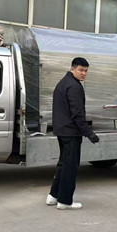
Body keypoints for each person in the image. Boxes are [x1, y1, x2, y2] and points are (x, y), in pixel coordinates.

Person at [46, 57, 100, 210]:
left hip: (62, 130)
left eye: (86, 71)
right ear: (72, 69)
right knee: (70, 167)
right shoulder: (74, 87)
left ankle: (53, 196)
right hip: (71, 132)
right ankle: (64, 201)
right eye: (80, 70)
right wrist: (89, 133)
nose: (83, 73)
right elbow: (77, 114)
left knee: (63, 164)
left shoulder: (63, 83)